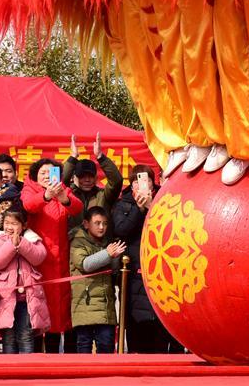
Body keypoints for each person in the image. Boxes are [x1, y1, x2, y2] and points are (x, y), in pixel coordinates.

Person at [112, 164, 182, 353]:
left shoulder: (165, 200)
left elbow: (173, 227)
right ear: (131, 185)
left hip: (162, 268)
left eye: (146, 180)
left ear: (153, 183)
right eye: (136, 181)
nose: (141, 184)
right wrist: (138, 209)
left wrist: (152, 207)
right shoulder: (123, 203)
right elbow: (121, 230)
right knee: (136, 322)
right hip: (133, 271)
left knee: (161, 321)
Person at [21, 158, 82, 353]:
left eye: (50, 173)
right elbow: (29, 206)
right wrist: (46, 195)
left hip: (61, 259)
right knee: (39, 311)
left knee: (61, 312)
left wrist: (64, 198)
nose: (47, 176)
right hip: (38, 259)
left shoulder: (63, 189)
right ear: (35, 176)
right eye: (42, 173)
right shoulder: (30, 189)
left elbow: (77, 207)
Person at [0, 208, 50, 354]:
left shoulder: (32, 239)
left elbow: (39, 257)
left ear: (24, 225)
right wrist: (11, 245)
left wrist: (21, 244)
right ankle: (9, 372)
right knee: (8, 337)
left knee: (26, 335)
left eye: (14, 223)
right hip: (6, 299)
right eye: (6, 223)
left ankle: (28, 371)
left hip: (28, 299)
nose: (9, 227)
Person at [70, 206, 126, 354]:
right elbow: (85, 264)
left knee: (107, 346)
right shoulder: (78, 242)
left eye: (105, 223)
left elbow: (113, 271)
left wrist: (116, 258)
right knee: (84, 346)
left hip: (105, 306)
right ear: (86, 224)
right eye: (97, 223)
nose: (102, 227)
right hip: (84, 305)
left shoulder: (108, 243)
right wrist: (108, 254)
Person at [62, 134, 123, 239]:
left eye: (90, 176)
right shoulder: (67, 194)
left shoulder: (103, 195)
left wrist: (100, 157)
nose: (87, 180)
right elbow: (60, 182)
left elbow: (116, 181)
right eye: (82, 176)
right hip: (73, 245)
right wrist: (73, 157)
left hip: (101, 247)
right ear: (74, 177)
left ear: (96, 177)